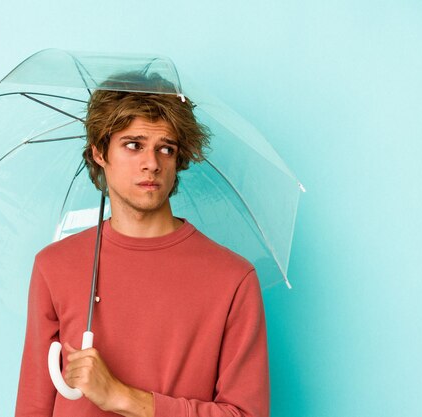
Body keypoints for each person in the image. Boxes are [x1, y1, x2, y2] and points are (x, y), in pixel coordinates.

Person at [15, 73, 269, 417]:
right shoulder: (54, 266)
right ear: (99, 152)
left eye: (166, 148)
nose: (152, 163)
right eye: (133, 145)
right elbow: (33, 407)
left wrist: (123, 397)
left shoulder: (233, 278)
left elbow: (247, 414)